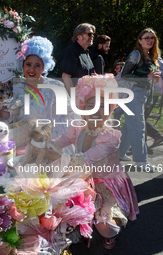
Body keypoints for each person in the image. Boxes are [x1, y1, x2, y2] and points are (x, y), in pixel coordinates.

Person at [46, 74, 139, 249]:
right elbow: (59, 142)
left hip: (106, 185)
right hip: (83, 180)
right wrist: (44, 146)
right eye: (90, 106)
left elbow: (83, 160)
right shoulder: (78, 127)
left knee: (105, 226)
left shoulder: (110, 136)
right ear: (83, 108)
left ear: (111, 109)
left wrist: (53, 157)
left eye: (102, 107)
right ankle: (81, 225)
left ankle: (109, 229)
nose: (96, 111)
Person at [12, 36, 77, 151]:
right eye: (28, 64)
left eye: (37, 65)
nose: (32, 70)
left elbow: (71, 117)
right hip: (24, 145)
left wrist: (57, 145)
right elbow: (13, 119)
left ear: (44, 67)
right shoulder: (16, 88)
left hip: (52, 145)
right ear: (22, 65)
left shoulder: (55, 87)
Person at [119, 28, 161, 169]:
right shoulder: (136, 54)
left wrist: (148, 100)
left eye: (152, 38)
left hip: (142, 95)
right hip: (133, 94)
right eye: (146, 38)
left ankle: (119, 153)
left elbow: (150, 82)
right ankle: (141, 162)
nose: (149, 40)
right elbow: (125, 75)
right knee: (138, 128)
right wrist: (146, 77)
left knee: (129, 126)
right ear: (139, 40)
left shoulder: (150, 56)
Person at [61, 23, 95, 95]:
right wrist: (74, 98)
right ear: (79, 37)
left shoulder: (86, 52)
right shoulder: (71, 51)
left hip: (86, 99)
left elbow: (91, 73)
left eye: (93, 34)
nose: (92, 36)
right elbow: (66, 76)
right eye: (89, 34)